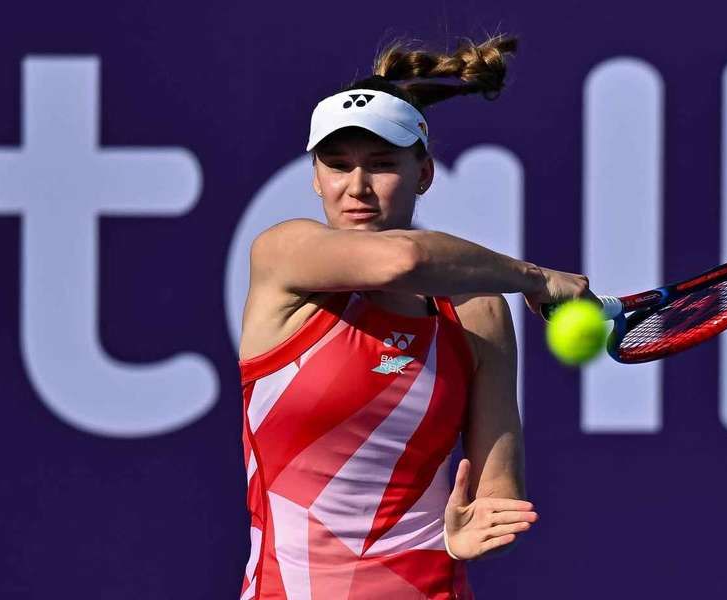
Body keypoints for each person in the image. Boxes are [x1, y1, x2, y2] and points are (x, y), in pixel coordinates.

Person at [237, 34, 591, 599]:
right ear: (315, 178)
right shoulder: (282, 259)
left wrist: (479, 528)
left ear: (423, 174)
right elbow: (402, 259)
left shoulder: (478, 313)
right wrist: (536, 278)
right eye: (337, 166)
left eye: (381, 166)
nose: (357, 187)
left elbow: (498, 490)